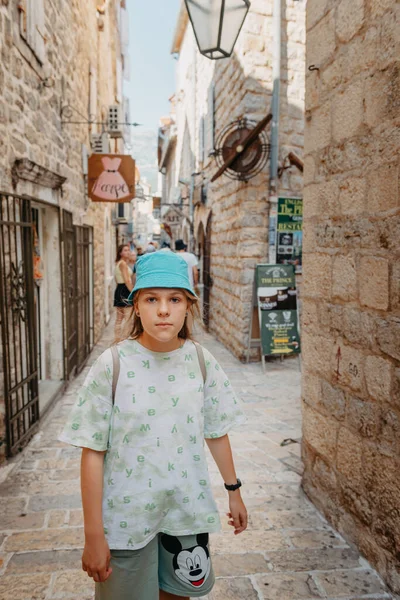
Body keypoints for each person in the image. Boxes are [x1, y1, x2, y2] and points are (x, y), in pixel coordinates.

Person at [59, 252, 248, 600]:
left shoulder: (201, 362)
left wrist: (233, 490)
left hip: (185, 516)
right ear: (136, 306)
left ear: (188, 306)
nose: (163, 309)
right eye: (152, 299)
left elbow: (217, 431)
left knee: (178, 596)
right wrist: (93, 535)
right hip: (126, 521)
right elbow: (92, 452)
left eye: (174, 299)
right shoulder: (112, 365)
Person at [113, 244, 133, 340]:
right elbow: (127, 280)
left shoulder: (119, 263)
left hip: (119, 289)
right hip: (125, 290)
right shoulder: (123, 264)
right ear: (120, 253)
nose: (128, 252)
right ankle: (125, 339)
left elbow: (117, 280)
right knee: (128, 319)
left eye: (128, 250)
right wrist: (133, 293)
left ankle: (117, 339)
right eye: (125, 250)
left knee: (119, 318)